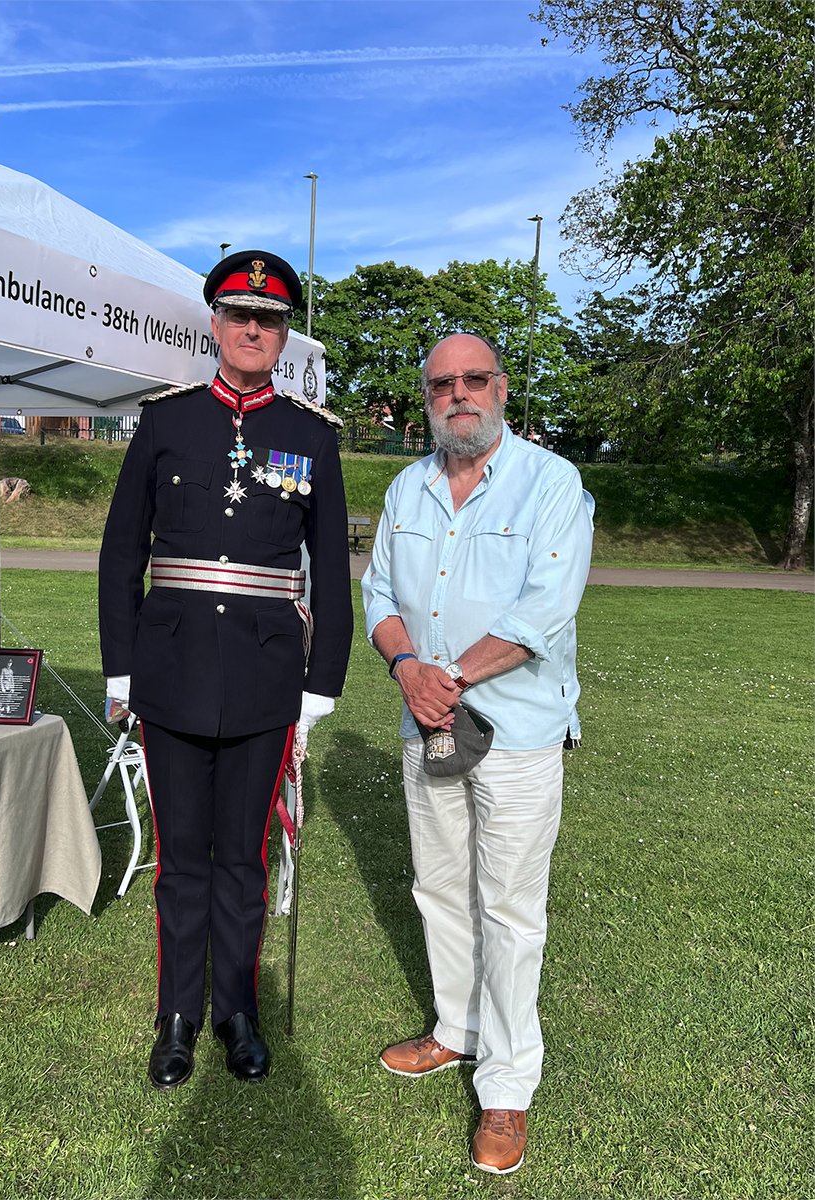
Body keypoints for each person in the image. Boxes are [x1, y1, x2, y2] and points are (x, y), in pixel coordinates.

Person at [98, 249, 353, 1091]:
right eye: (239, 315)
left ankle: (236, 1010)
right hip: (169, 669)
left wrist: (322, 684)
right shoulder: (165, 422)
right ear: (214, 323)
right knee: (183, 861)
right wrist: (120, 669)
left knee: (243, 857)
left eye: (269, 319)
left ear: (283, 335)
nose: (253, 329)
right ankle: (176, 1016)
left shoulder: (311, 435)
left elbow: (327, 565)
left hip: (265, 675)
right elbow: (121, 551)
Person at [361, 332, 594, 1175]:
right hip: (427, 722)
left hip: (518, 732)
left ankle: (506, 1086)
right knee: (437, 889)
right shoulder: (406, 485)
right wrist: (403, 667)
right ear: (425, 395)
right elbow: (377, 593)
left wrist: (444, 677)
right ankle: (454, 1032)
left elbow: (541, 616)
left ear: (500, 387)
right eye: (440, 383)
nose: (457, 393)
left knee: (508, 908)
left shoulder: (550, 483)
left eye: (473, 379)